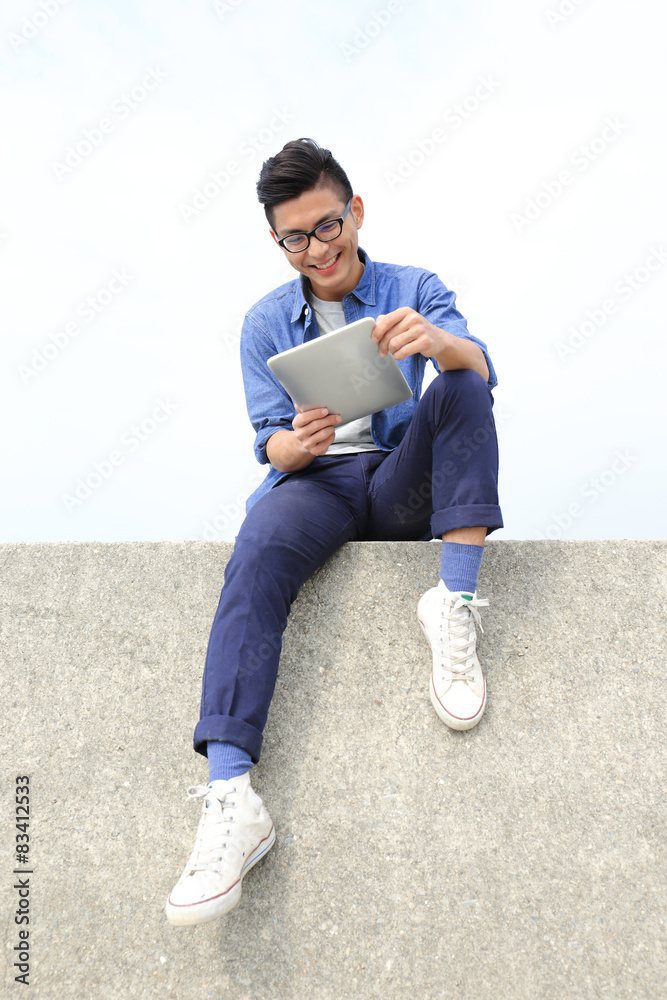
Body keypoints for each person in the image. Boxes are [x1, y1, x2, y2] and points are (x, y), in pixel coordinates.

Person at [165, 138, 503, 926]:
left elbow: (478, 368)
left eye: (325, 227)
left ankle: (452, 605)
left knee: (459, 388)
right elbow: (268, 440)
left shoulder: (410, 285)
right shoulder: (262, 323)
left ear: (354, 212)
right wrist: (297, 443)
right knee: (254, 557)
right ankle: (229, 797)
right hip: (311, 483)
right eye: (294, 238)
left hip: (393, 479)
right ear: (275, 240)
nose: (315, 250)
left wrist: (436, 342)